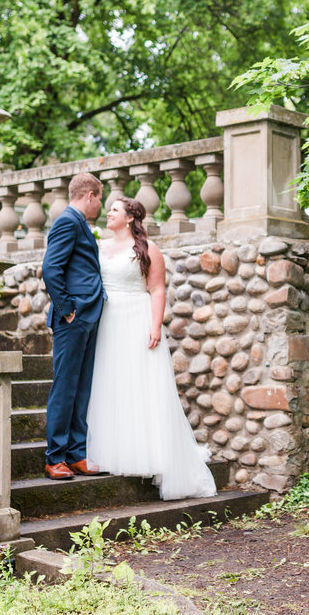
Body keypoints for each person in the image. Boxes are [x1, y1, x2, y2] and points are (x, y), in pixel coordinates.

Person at [86, 197, 217, 500]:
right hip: (107, 320)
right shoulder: (100, 247)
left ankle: (150, 454)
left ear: (130, 217)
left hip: (137, 318)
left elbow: (157, 288)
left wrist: (155, 325)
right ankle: (114, 450)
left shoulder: (147, 250)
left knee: (140, 384)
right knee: (109, 382)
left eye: (115, 209)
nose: (108, 212)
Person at [40, 172, 107, 480]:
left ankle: (76, 454)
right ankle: (54, 457)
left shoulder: (80, 223)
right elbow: (50, 268)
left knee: (82, 388)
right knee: (65, 388)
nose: (101, 207)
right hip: (74, 318)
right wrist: (68, 310)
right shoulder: (67, 221)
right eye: (100, 200)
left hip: (88, 316)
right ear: (89, 195)